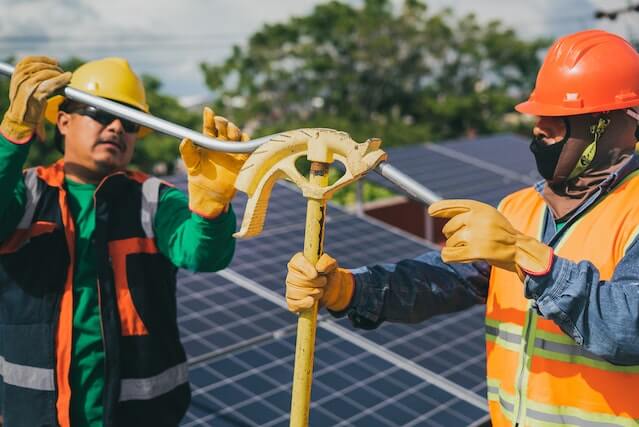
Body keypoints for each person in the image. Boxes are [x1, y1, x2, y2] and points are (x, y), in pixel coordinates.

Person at [285, 29, 639, 426]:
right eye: (539, 115)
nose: (539, 128)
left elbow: (628, 329)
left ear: (608, 127)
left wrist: (526, 255)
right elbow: (447, 279)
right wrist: (348, 289)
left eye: (558, 119)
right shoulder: (519, 209)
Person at [0, 56, 249, 427]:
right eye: (101, 112)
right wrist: (13, 135)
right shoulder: (26, 194)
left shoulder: (155, 199)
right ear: (63, 121)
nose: (117, 126)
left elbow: (203, 253)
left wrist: (213, 207)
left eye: (130, 121)